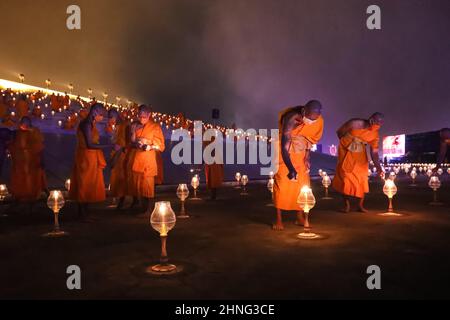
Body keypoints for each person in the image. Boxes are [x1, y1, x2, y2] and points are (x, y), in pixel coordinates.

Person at [272, 100, 324, 231]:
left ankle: (299, 217)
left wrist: (307, 157)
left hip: (301, 153)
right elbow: (284, 147)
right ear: (303, 112)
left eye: (314, 119)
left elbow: (309, 140)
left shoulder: (318, 120)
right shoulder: (291, 118)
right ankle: (279, 220)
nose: (312, 121)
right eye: (310, 118)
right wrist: (290, 168)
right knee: (282, 183)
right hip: (285, 153)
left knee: (302, 185)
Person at [332, 112, 385, 213]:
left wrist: (379, 168)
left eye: (379, 125)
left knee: (362, 179)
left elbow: (374, 153)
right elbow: (339, 132)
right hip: (346, 152)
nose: (377, 126)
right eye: (376, 123)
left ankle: (360, 206)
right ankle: (346, 205)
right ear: (371, 120)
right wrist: (350, 141)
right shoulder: (354, 123)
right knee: (345, 178)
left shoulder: (375, 134)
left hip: (360, 156)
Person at [69, 103, 109, 221]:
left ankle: (85, 212)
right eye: (101, 114)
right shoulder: (86, 124)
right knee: (84, 183)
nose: (101, 117)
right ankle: (82, 214)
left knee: (89, 183)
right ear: (95, 112)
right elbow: (89, 144)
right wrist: (109, 146)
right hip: (85, 157)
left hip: (91, 157)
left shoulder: (91, 124)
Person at [126, 105, 165, 212]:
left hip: (148, 160)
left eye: (144, 117)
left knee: (148, 187)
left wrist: (149, 146)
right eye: (140, 116)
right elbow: (132, 143)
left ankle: (148, 211)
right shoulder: (135, 125)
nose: (141, 119)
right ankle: (142, 208)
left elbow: (161, 147)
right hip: (138, 159)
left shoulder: (155, 127)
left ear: (149, 115)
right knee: (139, 187)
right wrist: (136, 140)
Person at [9, 117, 47, 211]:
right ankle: (19, 197)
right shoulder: (18, 133)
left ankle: (32, 199)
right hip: (20, 161)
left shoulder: (34, 132)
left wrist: (41, 159)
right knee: (20, 179)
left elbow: (39, 147)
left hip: (32, 161)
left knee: (32, 180)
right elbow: (14, 145)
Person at [108, 109, 130, 210]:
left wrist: (121, 149)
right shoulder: (116, 126)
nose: (109, 120)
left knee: (122, 178)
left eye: (110, 117)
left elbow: (128, 141)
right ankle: (120, 200)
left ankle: (122, 201)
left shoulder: (125, 125)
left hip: (122, 155)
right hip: (116, 153)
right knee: (117, 178)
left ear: (115, 116)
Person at [204, 134, 224, 200]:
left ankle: (213, 195)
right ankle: (213, 195)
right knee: (212, 181)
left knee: (213, 181)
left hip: (214, 166)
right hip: (212, 165)